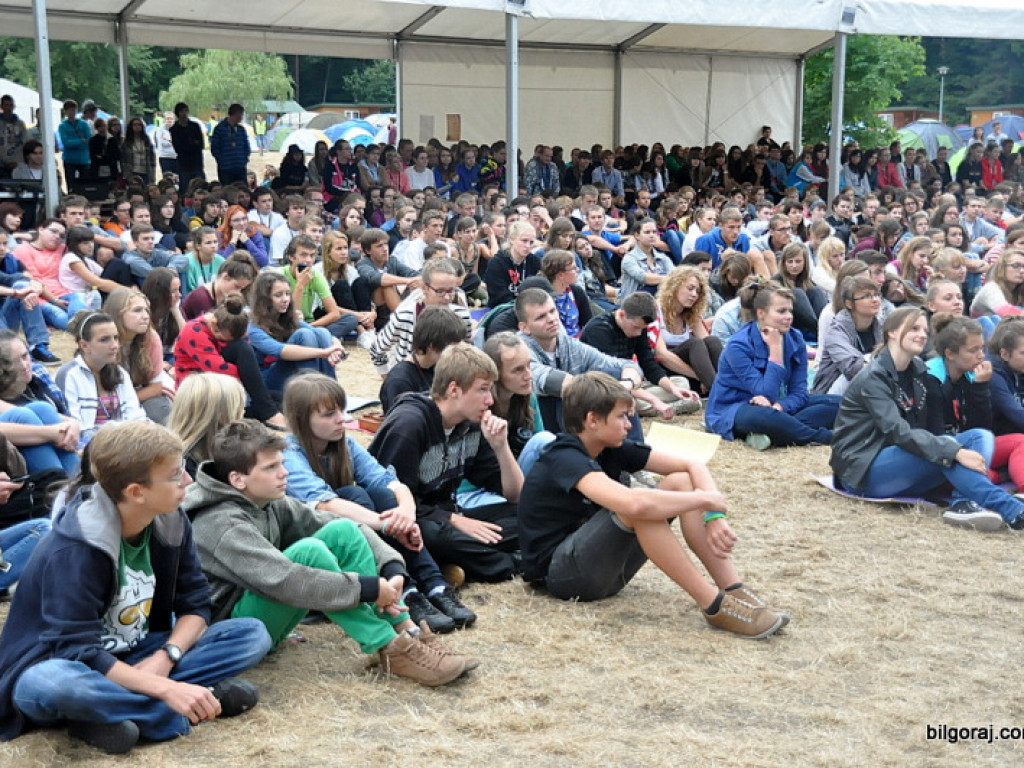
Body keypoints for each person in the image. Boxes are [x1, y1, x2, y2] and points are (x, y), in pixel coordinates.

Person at [0, 421, 271, 753]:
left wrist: (165, 658)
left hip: (138, 651)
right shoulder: (76, 547)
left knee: (251, 634)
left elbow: (196, 605)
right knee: (50, 684)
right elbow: (76, 651)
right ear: (135, 492)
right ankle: (174, 712)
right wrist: (164, 690)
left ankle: (100, 716)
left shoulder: (170, 519)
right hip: (64, 664)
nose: (188, 480)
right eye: (174, 475)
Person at [184, 419, 472, 686]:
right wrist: (369, 589)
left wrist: (391, 570)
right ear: (238, 479)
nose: (284, 473)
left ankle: (407, 631)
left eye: (282, 464)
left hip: (259, 608)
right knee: (309, 551)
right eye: (271, 467)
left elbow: (339, 525)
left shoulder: (263, 499)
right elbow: (285, 579)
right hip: (233, 633)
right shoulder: (221, 523)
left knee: (342, 532)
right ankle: (388, 646)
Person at [517, 371, 788, 639]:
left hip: (606, 569)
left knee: (680, 481)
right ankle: (714, 606)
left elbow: (692, 465)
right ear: (593, 421)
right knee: (638, 507)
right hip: (564, 577)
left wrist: (714, 514)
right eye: (622, 416)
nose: (629, 423)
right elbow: (634, 504)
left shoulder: (610, 446)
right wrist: (705, 498)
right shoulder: (563, 456)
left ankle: (733, 588)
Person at [281, 374, 476, 632]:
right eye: (329, 414)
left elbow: (390, 482)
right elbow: (325, 505)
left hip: (357, 531)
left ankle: (434, 585)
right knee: (354, 496)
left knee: (383, 496)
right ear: (301, 420)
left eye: (342, 409)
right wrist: (386, 524)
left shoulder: (343, 443)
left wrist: (405, 514)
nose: (342, 418)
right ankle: (405, 591)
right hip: (311, 547)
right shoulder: (288, 453)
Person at [830, 307, 1024, 532]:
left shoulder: (918, 372)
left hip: (904, 462)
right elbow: (899, 432)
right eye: (914, 328)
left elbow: (934, 431)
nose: (922, 334)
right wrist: (954, 451)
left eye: (924, 329)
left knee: (978, 436)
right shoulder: (873, 378)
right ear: (892, 332)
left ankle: (962, 503)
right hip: (863, 469)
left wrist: (953, 446)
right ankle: (1011, 508)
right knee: (949, 447)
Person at [369, 344, 524, 583]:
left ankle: (462, 562)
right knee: (437, 536)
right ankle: (515, 563)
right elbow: (389, 501)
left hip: (451, 514)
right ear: (454, 389)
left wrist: (501, 447)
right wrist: (454, 521)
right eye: (482, 390)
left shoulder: (470, 424)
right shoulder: (409, 425)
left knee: (527, 514)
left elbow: (515, 494)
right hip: (416, 523)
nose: (490, 400)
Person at [705, 282, 840, 450]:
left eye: (790, 310)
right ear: (761, 314)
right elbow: (764, 393)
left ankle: (777, 431)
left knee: (842, 403)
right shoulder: (738, 346)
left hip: (778, 405)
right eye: (781, 311)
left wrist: (780, 407)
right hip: (738, 407)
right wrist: (775, 350)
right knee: (764, 417)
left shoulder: (795, 337)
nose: (789, 316)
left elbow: (799, 392)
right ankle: (823, 437)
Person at [173, 293, 286, 429]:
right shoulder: (193, 331)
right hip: (197, 385)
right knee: (243, 350)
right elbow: (219, 370)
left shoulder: (232, 326)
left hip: (224, 384)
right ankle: (268, 413)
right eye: (223, 339)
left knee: (280, 398)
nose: (225, 342)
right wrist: (248, 375)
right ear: (214, 325)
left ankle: (263, 411)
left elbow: (249, 360)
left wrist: (251, 375)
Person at [580, 291, 699, 418]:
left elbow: (647, 362)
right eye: (636, 327)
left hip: (631, 382)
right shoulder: (599, 330)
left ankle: (662, 403)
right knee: (627, 399)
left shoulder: (639, 327)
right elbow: (609, 379)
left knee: (681, 382)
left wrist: (672, 388)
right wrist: (653, 399)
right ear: (622, 314)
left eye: (642, 329)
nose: (638, 333)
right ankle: (664, 407)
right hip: (603, 386)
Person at [369, 258, 471, 377]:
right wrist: (387, 378)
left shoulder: (462, 316)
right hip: (411, 379)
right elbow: (377, 349)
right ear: (424, 288)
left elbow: (467, 350)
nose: (447, 297)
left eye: (451, 291)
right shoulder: (405, 316)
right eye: (440, 291)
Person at [59, 311, 147, 445]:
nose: (114, 345)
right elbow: (76, 427)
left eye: (116, 338)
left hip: (124, 440)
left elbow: (135, 414)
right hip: (89, 446)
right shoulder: (69, 375)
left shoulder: (120, 373)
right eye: (104, 339)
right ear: (84, 345)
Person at [248, 271, 345, 391]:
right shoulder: (252, 327)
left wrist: (336, 346)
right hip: (267, 380)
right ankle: (310, 393)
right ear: (264, 299)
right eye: (278, 295)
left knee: (321, 332)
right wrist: (323, 352)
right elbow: (280, 351)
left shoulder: (286, 318)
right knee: (303, 334)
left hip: (288, 375)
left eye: (288, 294)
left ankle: (331, 392)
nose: (285, 299)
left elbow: (321, 333)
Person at [0, 330, 79, 475]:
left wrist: (71, 424)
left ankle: (77, 486)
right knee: (23, 416)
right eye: (11, 362)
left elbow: (64, 417)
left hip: (58, 441)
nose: (24, 366)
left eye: (25, 357)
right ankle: (59, 489)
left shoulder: (37, 376)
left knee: (43, 408)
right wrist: (51, 433)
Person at [103, 288, 172, 425]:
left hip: (141, 395)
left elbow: (155, 387)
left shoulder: (151, 339)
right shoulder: (102, 340)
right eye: (137, 310)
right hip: (106, 400)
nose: (145, 316)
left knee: (161, 414)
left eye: (146, 310)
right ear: (118, 314)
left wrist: (127, 401)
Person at [651, 265, 724, 395]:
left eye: (698, 292)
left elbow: (708, 346)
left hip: (694, 373)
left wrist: (705, 375)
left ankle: (727, 386)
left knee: (712, 341)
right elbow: (662, 355)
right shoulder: (655, 310)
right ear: (675, 286)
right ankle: (721, 393)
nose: (694, 295)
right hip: (666, 370)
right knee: (694, 344)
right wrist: (700, 376)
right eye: (690, 289)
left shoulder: (691, 315)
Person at [380, 306, 468, 413]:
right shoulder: (400, 381)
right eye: (452, 348)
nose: (457, 353)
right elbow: (402, 423)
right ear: (432, 346)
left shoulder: (441, 366)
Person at [812, 276, 883, 396]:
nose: (875, 300)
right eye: (866, 296)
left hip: (870, 388)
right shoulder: (836, 331)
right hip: (830, 394)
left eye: (876, 295)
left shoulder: (880, 327)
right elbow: (852, 368)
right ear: (849, 304)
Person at [180, 257, 255, 321]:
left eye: (241, 289)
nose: (238, 292)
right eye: (237, 287)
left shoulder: (224, 295)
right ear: (226, 277)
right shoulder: (200, 297)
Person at [169, 103, 205, 196]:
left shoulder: (195, 126)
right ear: (178, 113)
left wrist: (188, 145)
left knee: (200, 187)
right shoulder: (175, 129)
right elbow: (178, 148)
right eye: (181, 111)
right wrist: (192, 144)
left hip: (197, 163)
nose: (184, 113)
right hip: (184, 164)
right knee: (185, 190)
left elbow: (200, 145)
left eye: (186, 111)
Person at [209, 104, 250, 186]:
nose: (241, 117)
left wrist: (244, 159)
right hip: (225, 169)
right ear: (235, 114)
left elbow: (246, 146)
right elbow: (214, 148)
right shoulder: (219, 129)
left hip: (240, 167)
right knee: (227, 191)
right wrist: (221, 161)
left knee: (242, 190)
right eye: (240, 115)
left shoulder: (241, 129)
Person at [57, 100, 92, 185]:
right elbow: (66, 143)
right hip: (69, 160)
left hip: (84, 159)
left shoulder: (84, 124)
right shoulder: (62, 126)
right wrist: (80, 141)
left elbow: (88, 140)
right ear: (65, 111)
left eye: (74, 110)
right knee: (71, 185)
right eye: (70, 110)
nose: (72, 112)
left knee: (85, 185)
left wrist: (75, 142)